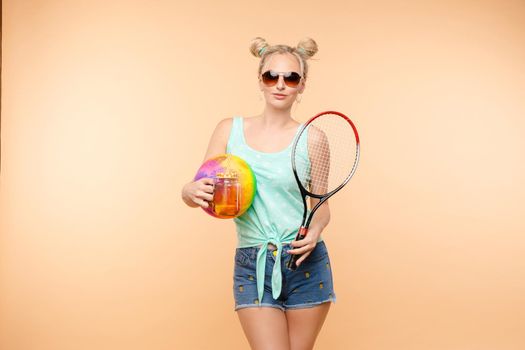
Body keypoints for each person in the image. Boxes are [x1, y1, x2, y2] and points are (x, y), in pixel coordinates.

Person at [181, 37, 336, 350]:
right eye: (271, 76)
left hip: (305, 262)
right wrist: (188, 190)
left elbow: (321, 207)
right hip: (254, 262)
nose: (280, 84)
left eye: (290, 78)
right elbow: (200, 191)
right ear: (260, 81)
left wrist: (315, 230)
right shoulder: (229, 130)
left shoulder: (314, 139)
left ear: (302, 85)